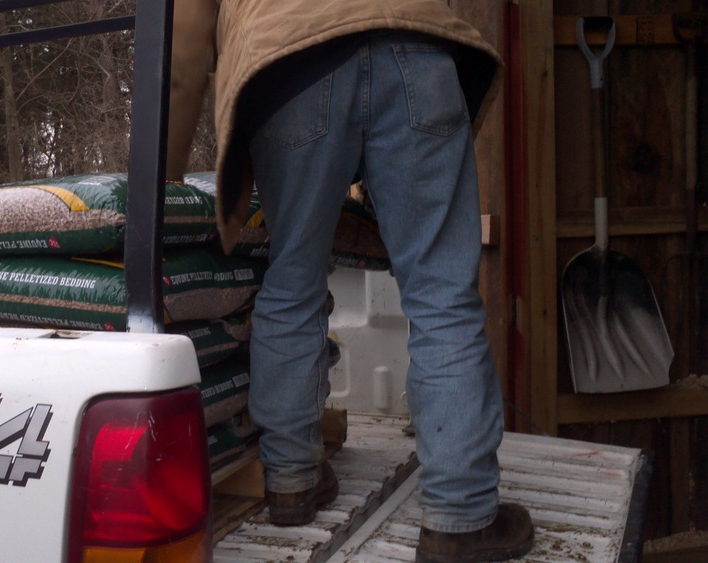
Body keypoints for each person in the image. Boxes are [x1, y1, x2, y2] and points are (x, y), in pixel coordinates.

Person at [165, 1, 535, 561]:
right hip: (414, 41)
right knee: (442, 294)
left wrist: (165, 181)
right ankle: (460, 516)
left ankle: (291, 480)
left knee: (292, 278)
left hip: (290, 58)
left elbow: (183, 46)